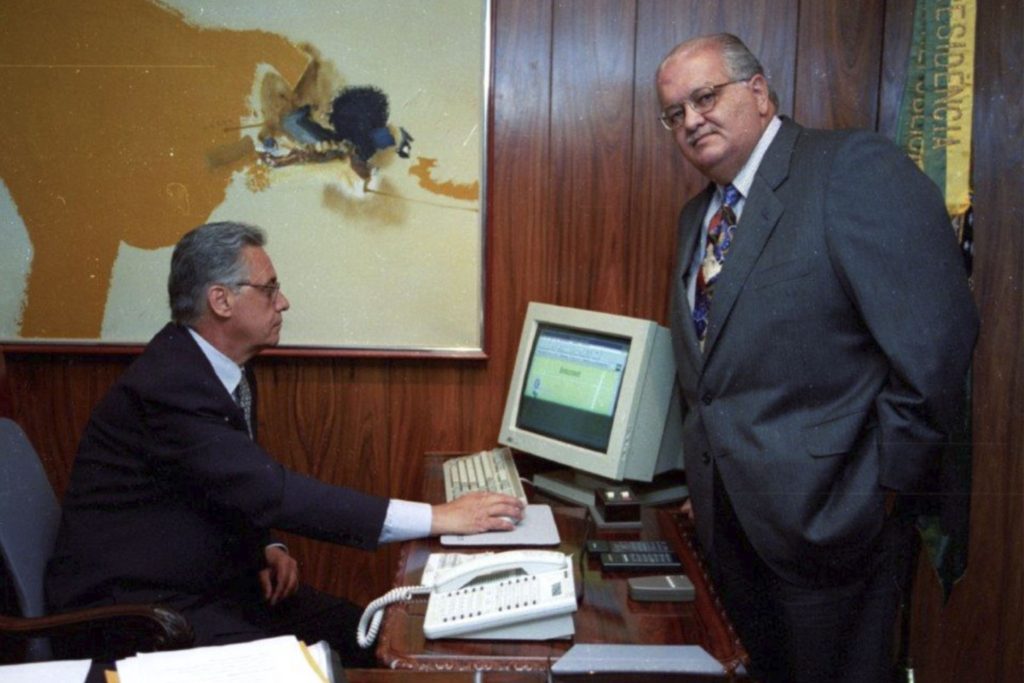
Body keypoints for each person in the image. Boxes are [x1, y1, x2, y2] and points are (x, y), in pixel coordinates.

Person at [46, 221, 524, 667]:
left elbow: (231, 479)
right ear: (221, 301)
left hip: (210, 582)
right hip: (139, 614)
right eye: (270, 289)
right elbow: (273, 492)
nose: (284, 302)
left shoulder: (219, 367)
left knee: (368, 631)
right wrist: (438, 516)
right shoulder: (169, 385)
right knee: (326, 662)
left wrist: (267, 543)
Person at [655, 34, 978, 682]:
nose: (691, 121)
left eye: (705, 96)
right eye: (674, 113)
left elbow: (936, 346)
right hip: (733, 539)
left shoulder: (848, 170)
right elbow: (717, 381)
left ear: (759, 92)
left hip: (834, 538)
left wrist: (877, 493)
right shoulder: (698, 217)